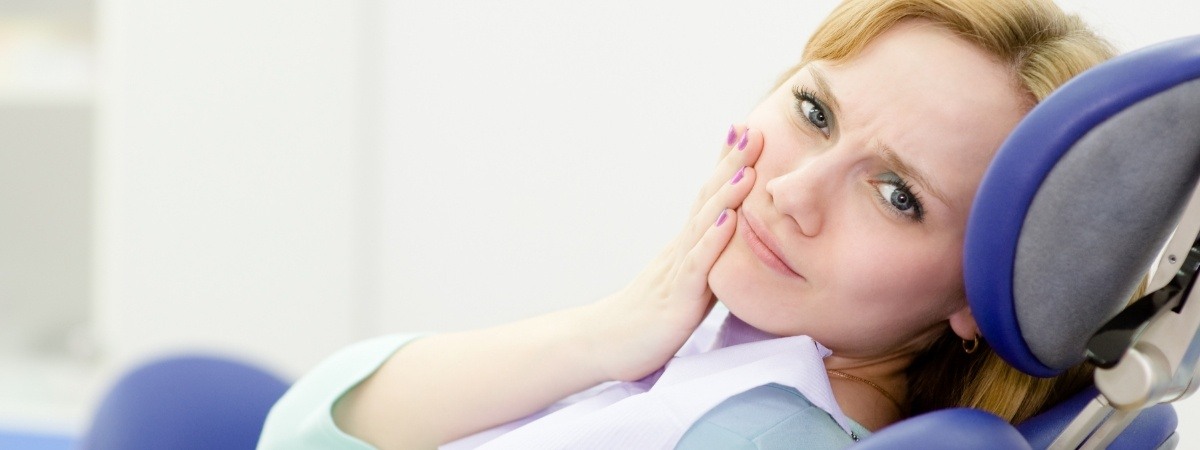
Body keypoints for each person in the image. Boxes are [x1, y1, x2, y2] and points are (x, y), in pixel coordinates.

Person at [258, 0, 1116, 448]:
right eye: (815, 110)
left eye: (897, 195)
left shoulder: (755, 431)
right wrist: (614, 330)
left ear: (983, 292)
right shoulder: (728, 358)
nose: (794, 192)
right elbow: (312, 424)